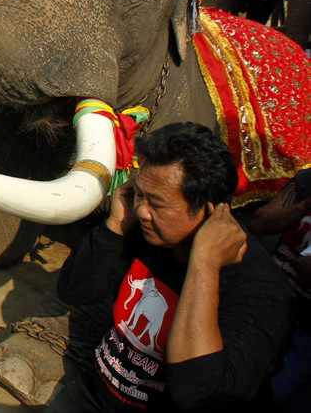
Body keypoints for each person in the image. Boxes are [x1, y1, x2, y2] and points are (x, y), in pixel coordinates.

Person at [48, 122, 292, 411]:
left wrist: (203, 264)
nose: (141, 211)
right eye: (139, 194)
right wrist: (114, 226)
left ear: (208, 209)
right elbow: (75, 291)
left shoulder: (261, 291)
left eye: (157, 204)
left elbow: (197, 394)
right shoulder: (148, 234)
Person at [249, 168, 311, 412]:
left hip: (305, 328)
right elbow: (259, 222)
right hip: (271, 306)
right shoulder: (307, 180)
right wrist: (304, 206)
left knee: (282, 395)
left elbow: (306, 270)